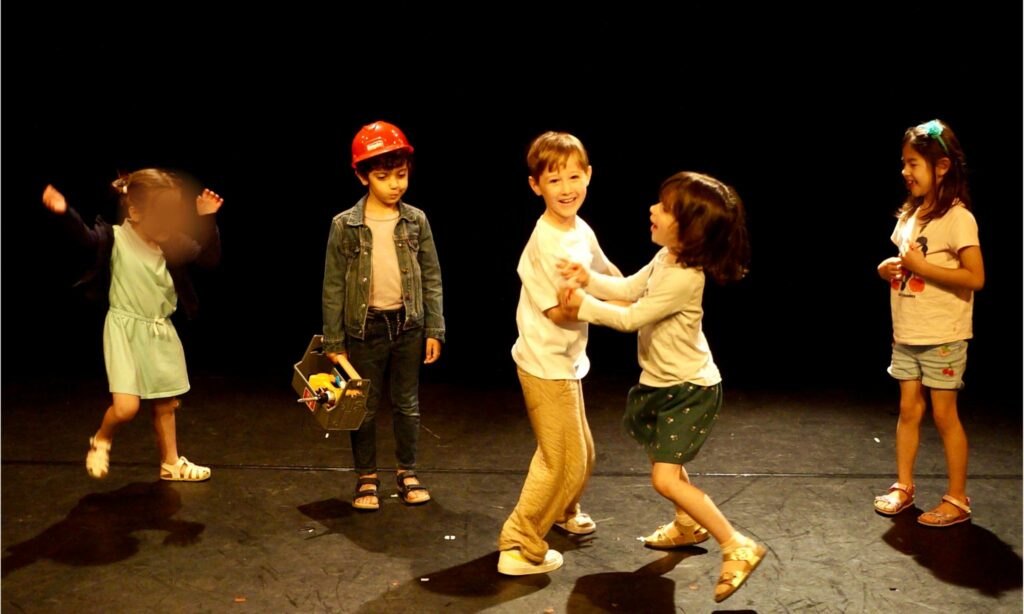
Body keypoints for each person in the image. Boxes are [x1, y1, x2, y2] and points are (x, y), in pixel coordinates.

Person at [559, 171, 765, 603]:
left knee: (664, 477)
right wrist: (588, 279)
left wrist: (584, 305)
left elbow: (633, 316)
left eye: (665, 208)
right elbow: (630, 289)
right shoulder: (668, 258)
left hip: (690, 389)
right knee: (665, 459)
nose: (653, 210)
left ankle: (735, 544)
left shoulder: (684, 277)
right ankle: (686, 525)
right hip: (664, 383)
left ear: (689, 229)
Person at [41, 169, 223, 482]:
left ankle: (171, 463)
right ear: (135, 211)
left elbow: (207, 259)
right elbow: (85, 238)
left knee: (166, 403)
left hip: (160, 330)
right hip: (125, 331)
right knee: (126, 408)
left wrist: (207, 219)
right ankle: (102, 437)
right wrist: (64, 213)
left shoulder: (169, 244)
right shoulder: (115, 238)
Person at [497, 131, 621, 576]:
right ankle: (519, 542)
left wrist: (647, 295)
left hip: (566, 361)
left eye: (574, 176)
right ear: (536, 186)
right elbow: (557, 311)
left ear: (588, 175)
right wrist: (614, 313)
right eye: (555, 180)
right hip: (544, 363)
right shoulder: (545, 241)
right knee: (560, 458)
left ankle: (565, 511)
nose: (567, 188)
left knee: (582, 452)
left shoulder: (578, 228)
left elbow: (609, 275)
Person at [322, 121, 445, 510]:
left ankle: (407, 471)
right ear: (361, 175)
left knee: (407, 403)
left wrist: (434, 328)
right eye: (383, 176)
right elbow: (334, 287)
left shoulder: (416, 220)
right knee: (364, 404)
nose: (395, 184)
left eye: (401, 175)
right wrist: (334, 342)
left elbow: (431, 276)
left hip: (408, 325)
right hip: (366, 328)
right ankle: (366, 477)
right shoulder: (345, 225)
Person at [872, 120, 983, 527]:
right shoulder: (911, 215)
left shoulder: (958, 218)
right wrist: (892, 269)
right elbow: (911, 264)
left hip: (943, 335)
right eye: (904, 163)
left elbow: (975, 278)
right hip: (908, 333)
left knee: (943, 414)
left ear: (942, 167)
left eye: (914, 163)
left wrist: (923, 268)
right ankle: (904, 486)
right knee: (907, 410)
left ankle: (957, 498)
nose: (906, 171)